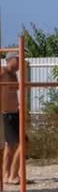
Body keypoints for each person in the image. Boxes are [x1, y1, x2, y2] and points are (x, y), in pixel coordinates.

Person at [1, 52, 21, 185]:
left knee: (12, 146)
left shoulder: (14, 75)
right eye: (18, 60)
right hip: (5, 113)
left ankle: (8, 175)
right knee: (18, 144)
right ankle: (11, 175)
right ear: (11, 60)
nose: (20, 63)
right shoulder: (2, 72)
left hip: (14, 112)